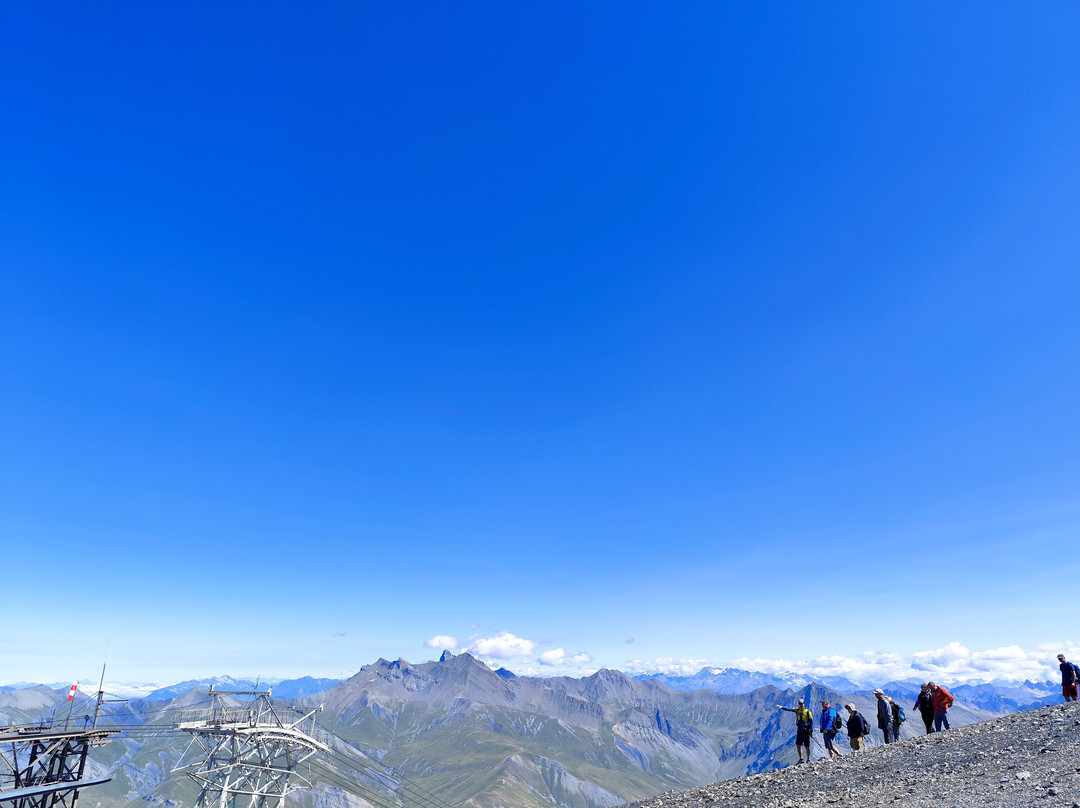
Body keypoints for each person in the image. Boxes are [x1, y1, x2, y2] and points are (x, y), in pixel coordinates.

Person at [776, 698, 814, 763]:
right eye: (799, 703)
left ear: (804, 704)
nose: (800, 705)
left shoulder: (808, 712)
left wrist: (811, 731)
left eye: (801, 704)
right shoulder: (797, 710)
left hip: (806, 731)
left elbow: (811, 722)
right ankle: (801, 758)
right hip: (799, 730)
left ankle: (808, 759)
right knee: (798, 744)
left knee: (806, 746)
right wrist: (782, 707)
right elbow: (789, 709)